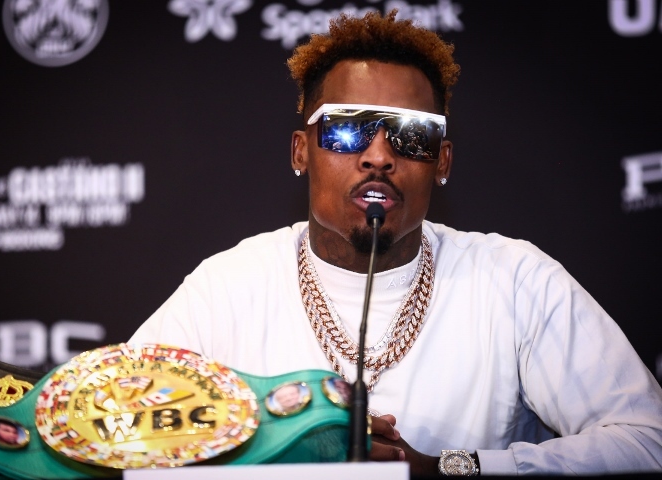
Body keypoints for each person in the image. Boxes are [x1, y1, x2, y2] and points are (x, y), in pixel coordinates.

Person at [131, 11, 662, 475]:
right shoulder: (227, 287)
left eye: (412, 135)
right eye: (346, 129)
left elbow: (648, 439)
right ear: (301, 151)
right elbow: (116, 427)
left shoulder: (515, 281)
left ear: (442, 161)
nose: (379, 156)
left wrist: (450, 468)